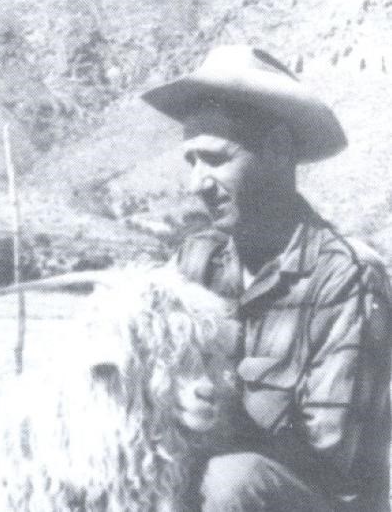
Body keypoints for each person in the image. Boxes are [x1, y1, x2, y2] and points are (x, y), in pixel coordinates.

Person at [141, 45, 392, 512]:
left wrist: (219, 416)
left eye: (215, 159)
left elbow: (331, 454)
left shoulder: (346, 277)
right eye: (189, 161)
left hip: (313, 498)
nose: (197, 183)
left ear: (277, 149)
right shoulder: (194, 262)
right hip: (203, 478)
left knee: (231, 483)